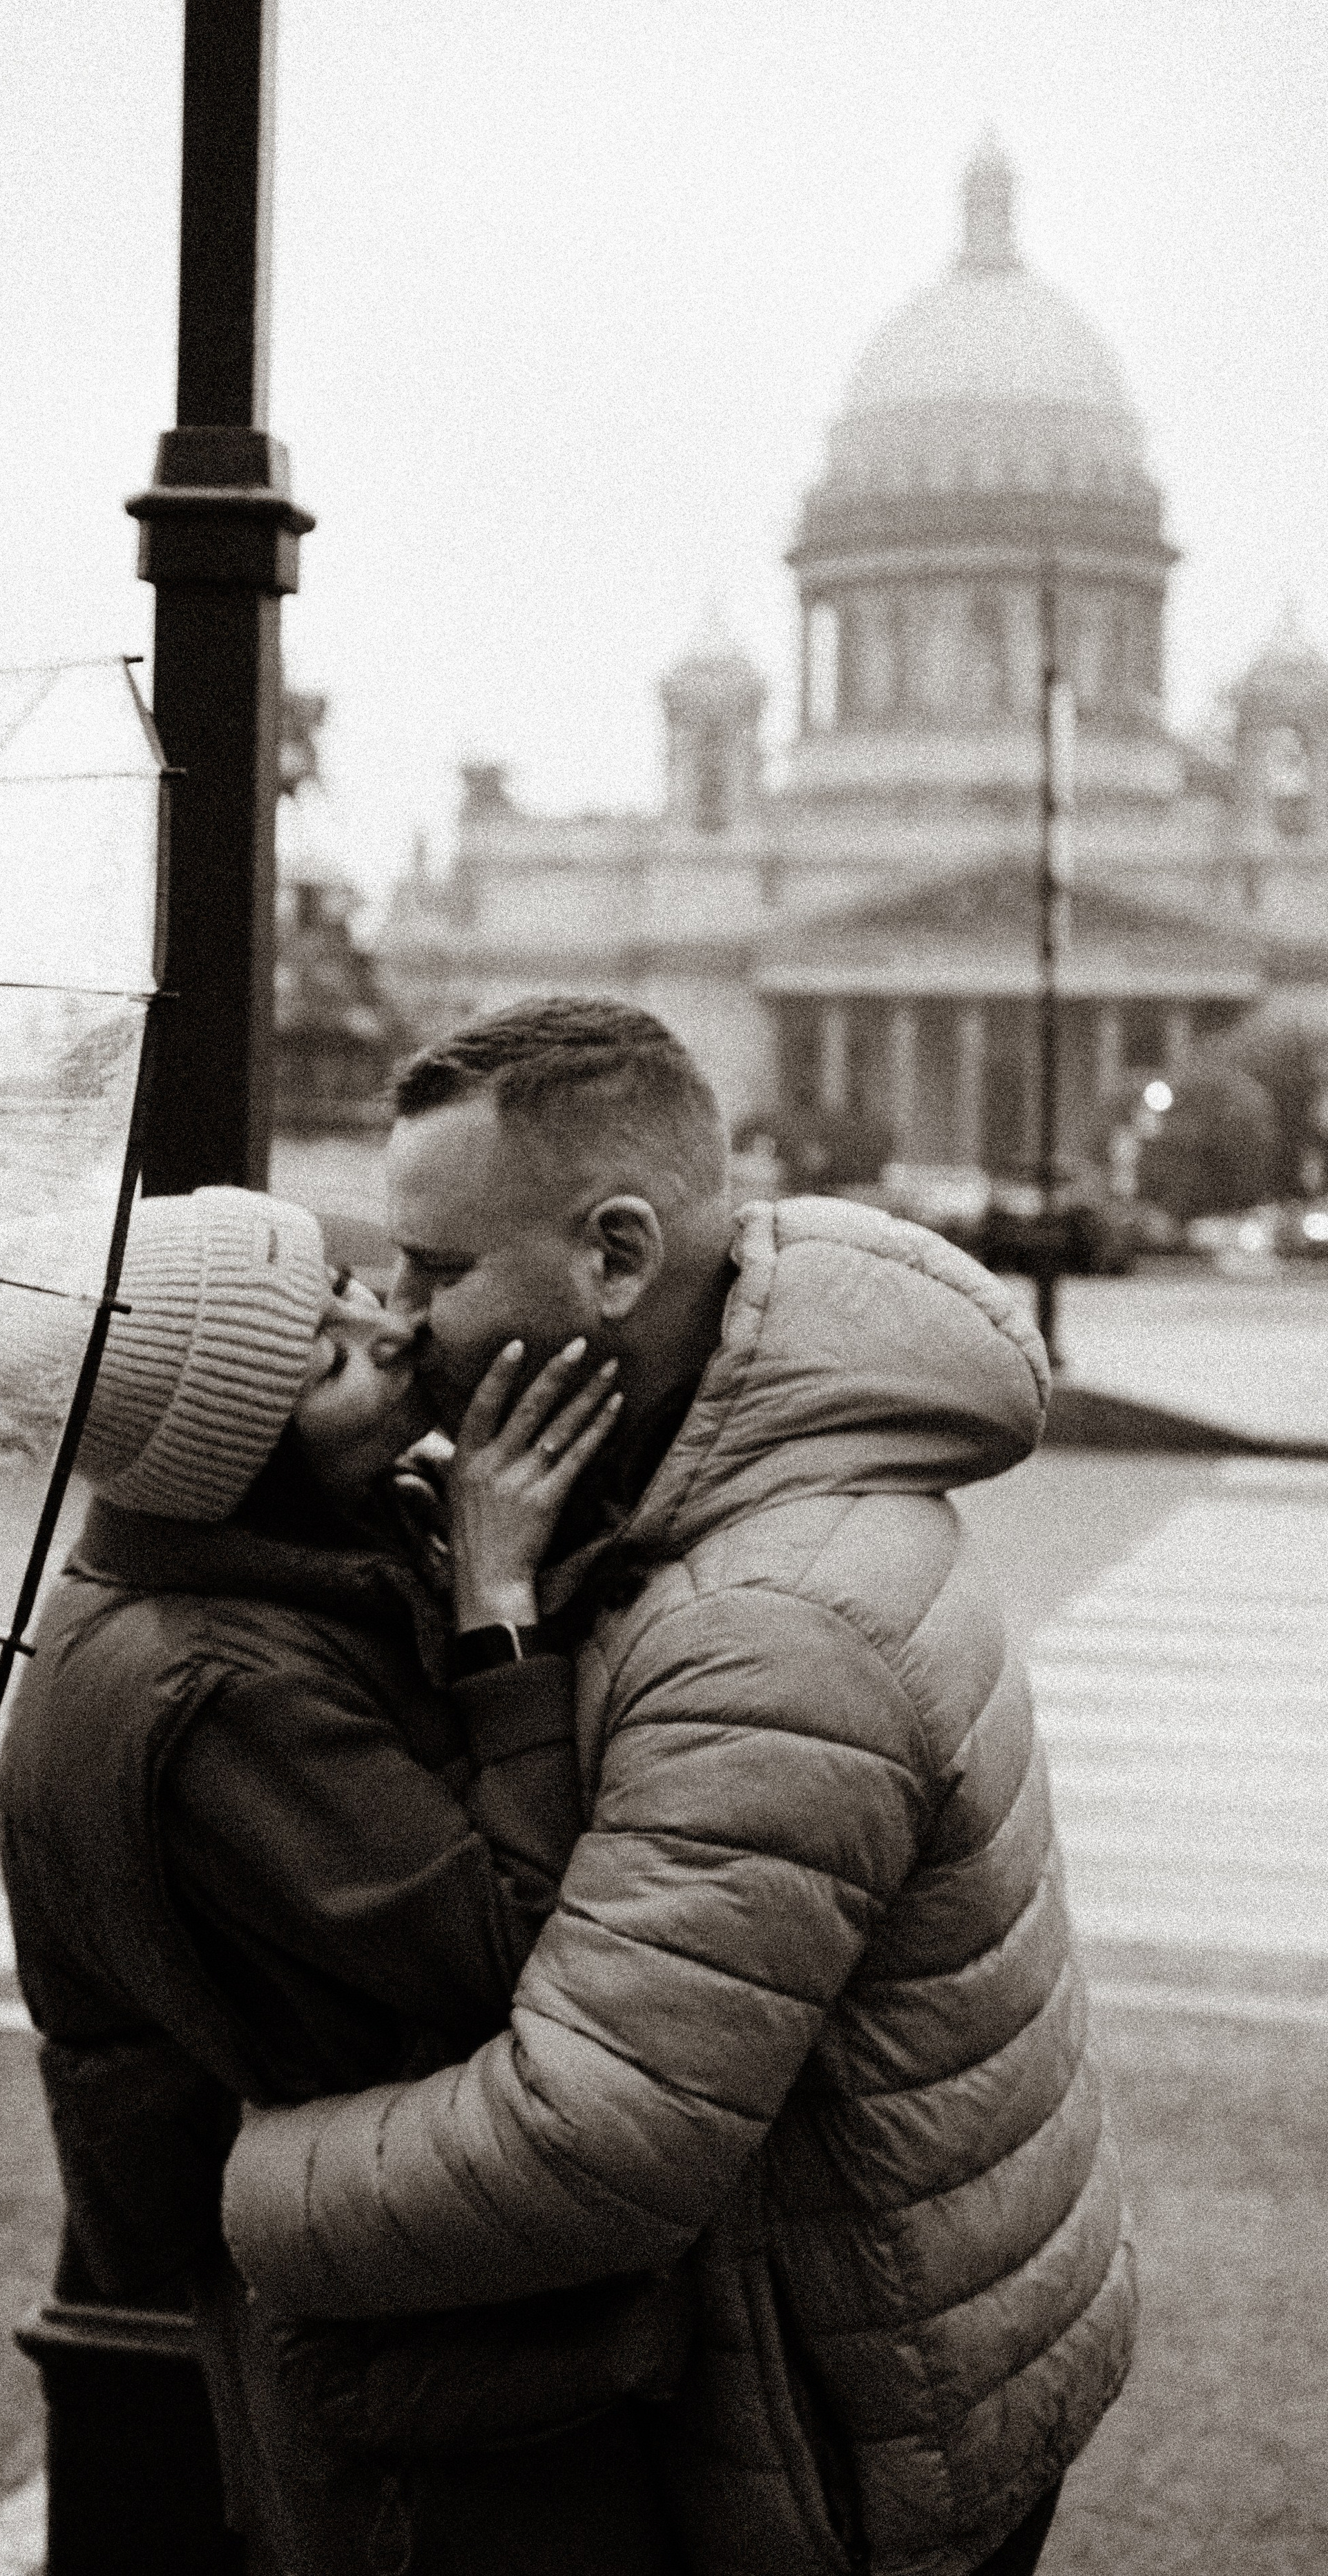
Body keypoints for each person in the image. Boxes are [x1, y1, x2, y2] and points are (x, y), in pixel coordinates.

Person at [221, 1000, 1137, 2576]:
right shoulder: (688, 1475)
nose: (406, 1320)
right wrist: (499, 1583)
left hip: (853, 2414)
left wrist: (232, 2187)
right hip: (902, 2310)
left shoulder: (766, 1627)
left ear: (619, 1256)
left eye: (440, 1273)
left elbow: (593, 2150)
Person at [0, 1185, 689, 2576]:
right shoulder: (221, 1691)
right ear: (243, 1460)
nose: (388, 1324)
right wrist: (494, 1613)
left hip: (384, 2299)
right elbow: (520, 1955)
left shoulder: (222, 1596)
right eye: (323, 1359)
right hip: (414, 2368)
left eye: (347, 1289)